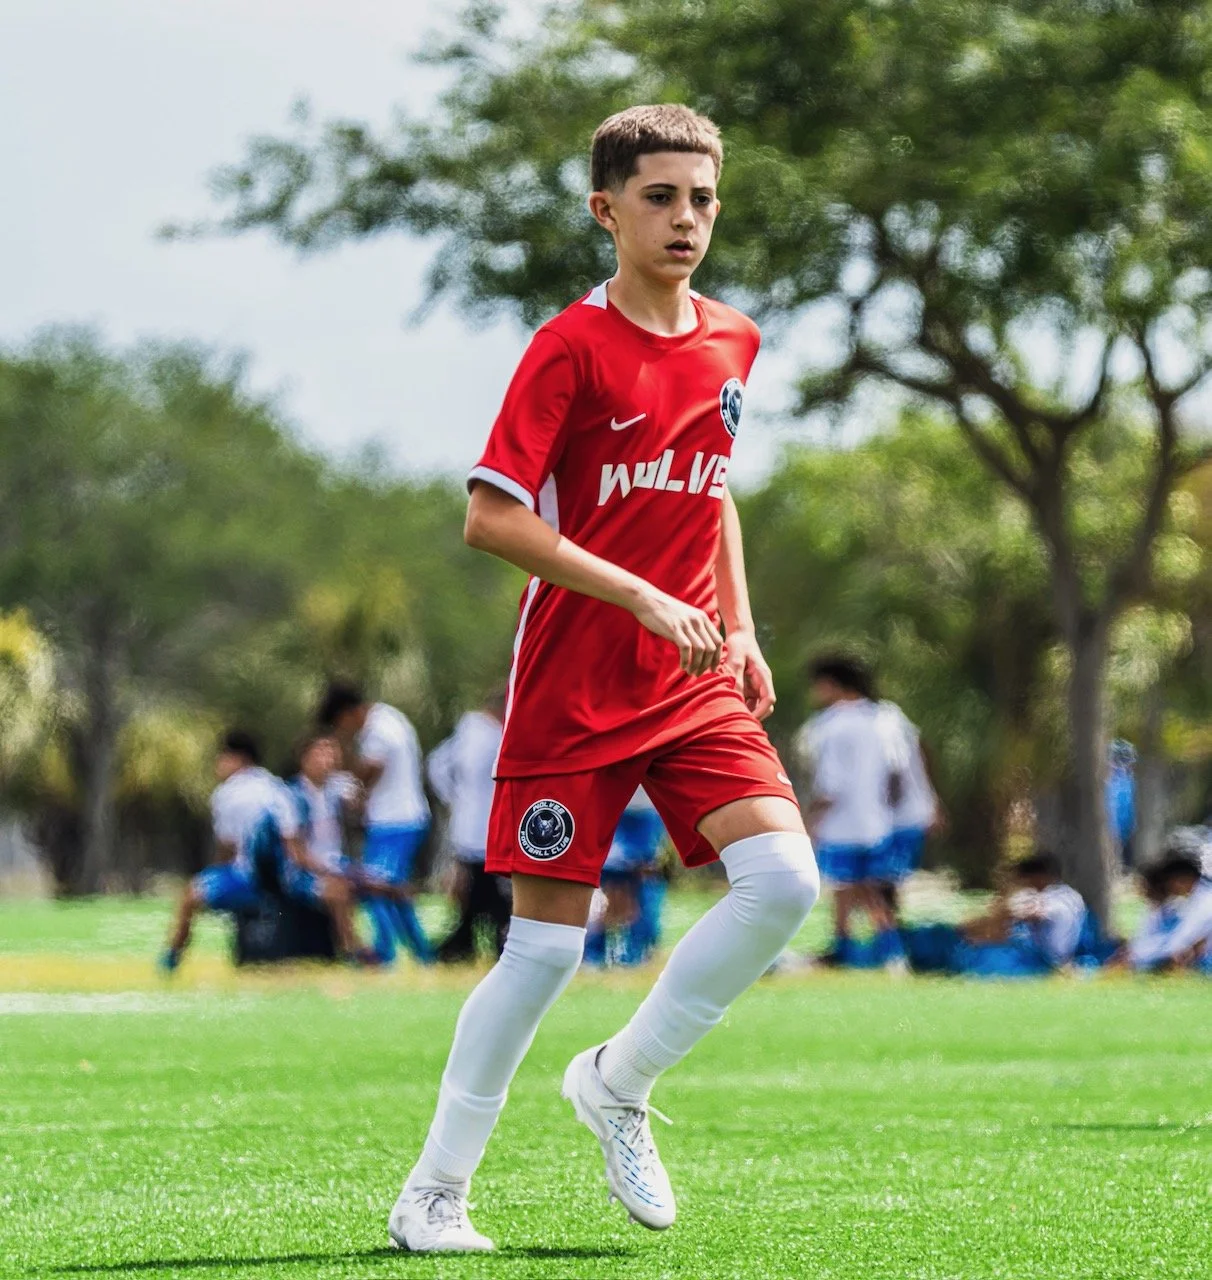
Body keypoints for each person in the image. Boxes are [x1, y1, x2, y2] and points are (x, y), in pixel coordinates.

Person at [388, 104, 819, 1253]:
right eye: (662, 197)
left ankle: (619, 1081)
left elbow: (712, 484)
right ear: (606, 209)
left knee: (781, 882)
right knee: (543, 949)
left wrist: (742, 621)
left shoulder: (735, 338)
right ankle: (433, 1192)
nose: (687, 219)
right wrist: (636, 592)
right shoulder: (567, 347)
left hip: (692, 673)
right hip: (576, 681)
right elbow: (491, 516)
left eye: (704, 198)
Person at [794, 656, 904, 970]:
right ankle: (891, 953)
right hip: (877, 821)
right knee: (873, 889)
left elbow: (831, 784)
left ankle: (845, 949)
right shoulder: (882, 718)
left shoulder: (831, 724)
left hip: (842, 823)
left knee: (843, 888)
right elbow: (895, 774)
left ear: (830, 684)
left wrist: (810, 817)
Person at [160, 730, 301, 972]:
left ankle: (172, 958)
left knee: (190, 896)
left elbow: (228, 848)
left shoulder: (228, 793)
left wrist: (216, 871)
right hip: (286, 877)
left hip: (249, 878)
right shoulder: (278, 788)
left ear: (237, 758)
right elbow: (292, 841)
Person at [319, 683, 434, 965]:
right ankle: (422, 953)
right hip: (400, 818)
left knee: (375, 886)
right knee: (392, 891)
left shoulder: (379, 729)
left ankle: (385, 954)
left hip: (395, 821)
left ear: (348, 713)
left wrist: (342, 775)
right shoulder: (391, 718)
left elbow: (370, 771)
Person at [427, 691, 511, 963]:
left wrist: (453, 797)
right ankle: (470, 944)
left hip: (472, 826)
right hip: (484, 829)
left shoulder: (468, 731)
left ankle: (464, 944)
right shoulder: (488, 734)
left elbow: (436, 765)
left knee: (478, 893)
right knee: (488, 894)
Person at [904, 852, 1087, 976]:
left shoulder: (1059, 898)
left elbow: (1026, 913)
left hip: (1045, 960)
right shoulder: (1066, 895)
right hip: (1038, 954)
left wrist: (1003, 906)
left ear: (1038, 878)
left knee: (975, 953)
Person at [285, 732, 375, 962]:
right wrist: (325, 869)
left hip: (337, 864)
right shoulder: (291, 795)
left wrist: (357, 798)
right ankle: (354, 950)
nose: (328, 759)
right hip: (303, 873)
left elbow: (361, 817)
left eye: (332, 752)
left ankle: (414, 950)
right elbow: (295, 852)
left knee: (385, 885)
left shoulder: (334, 791)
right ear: (304, 758)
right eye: (321, 752)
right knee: (338, 890)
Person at [584, 788, 667, 967]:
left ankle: (638, 951)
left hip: (645, 806)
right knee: (601, 880)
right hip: (607, 804)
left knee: (643, 879)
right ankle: (593, 951)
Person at [875, 699, 943, 886]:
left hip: (897, 817)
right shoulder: (896, 719)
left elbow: (895, 771)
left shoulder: (882, 722)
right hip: (914, 813)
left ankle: (886, 914)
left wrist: (885, 811)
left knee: (886, 878)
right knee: (892, 878)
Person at [1126, 852, 1212, 973]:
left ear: (1182, 880)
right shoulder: (1195, 900)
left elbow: (1181, 942)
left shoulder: (1205, 902)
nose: (1172, 889)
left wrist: (1138, 956)